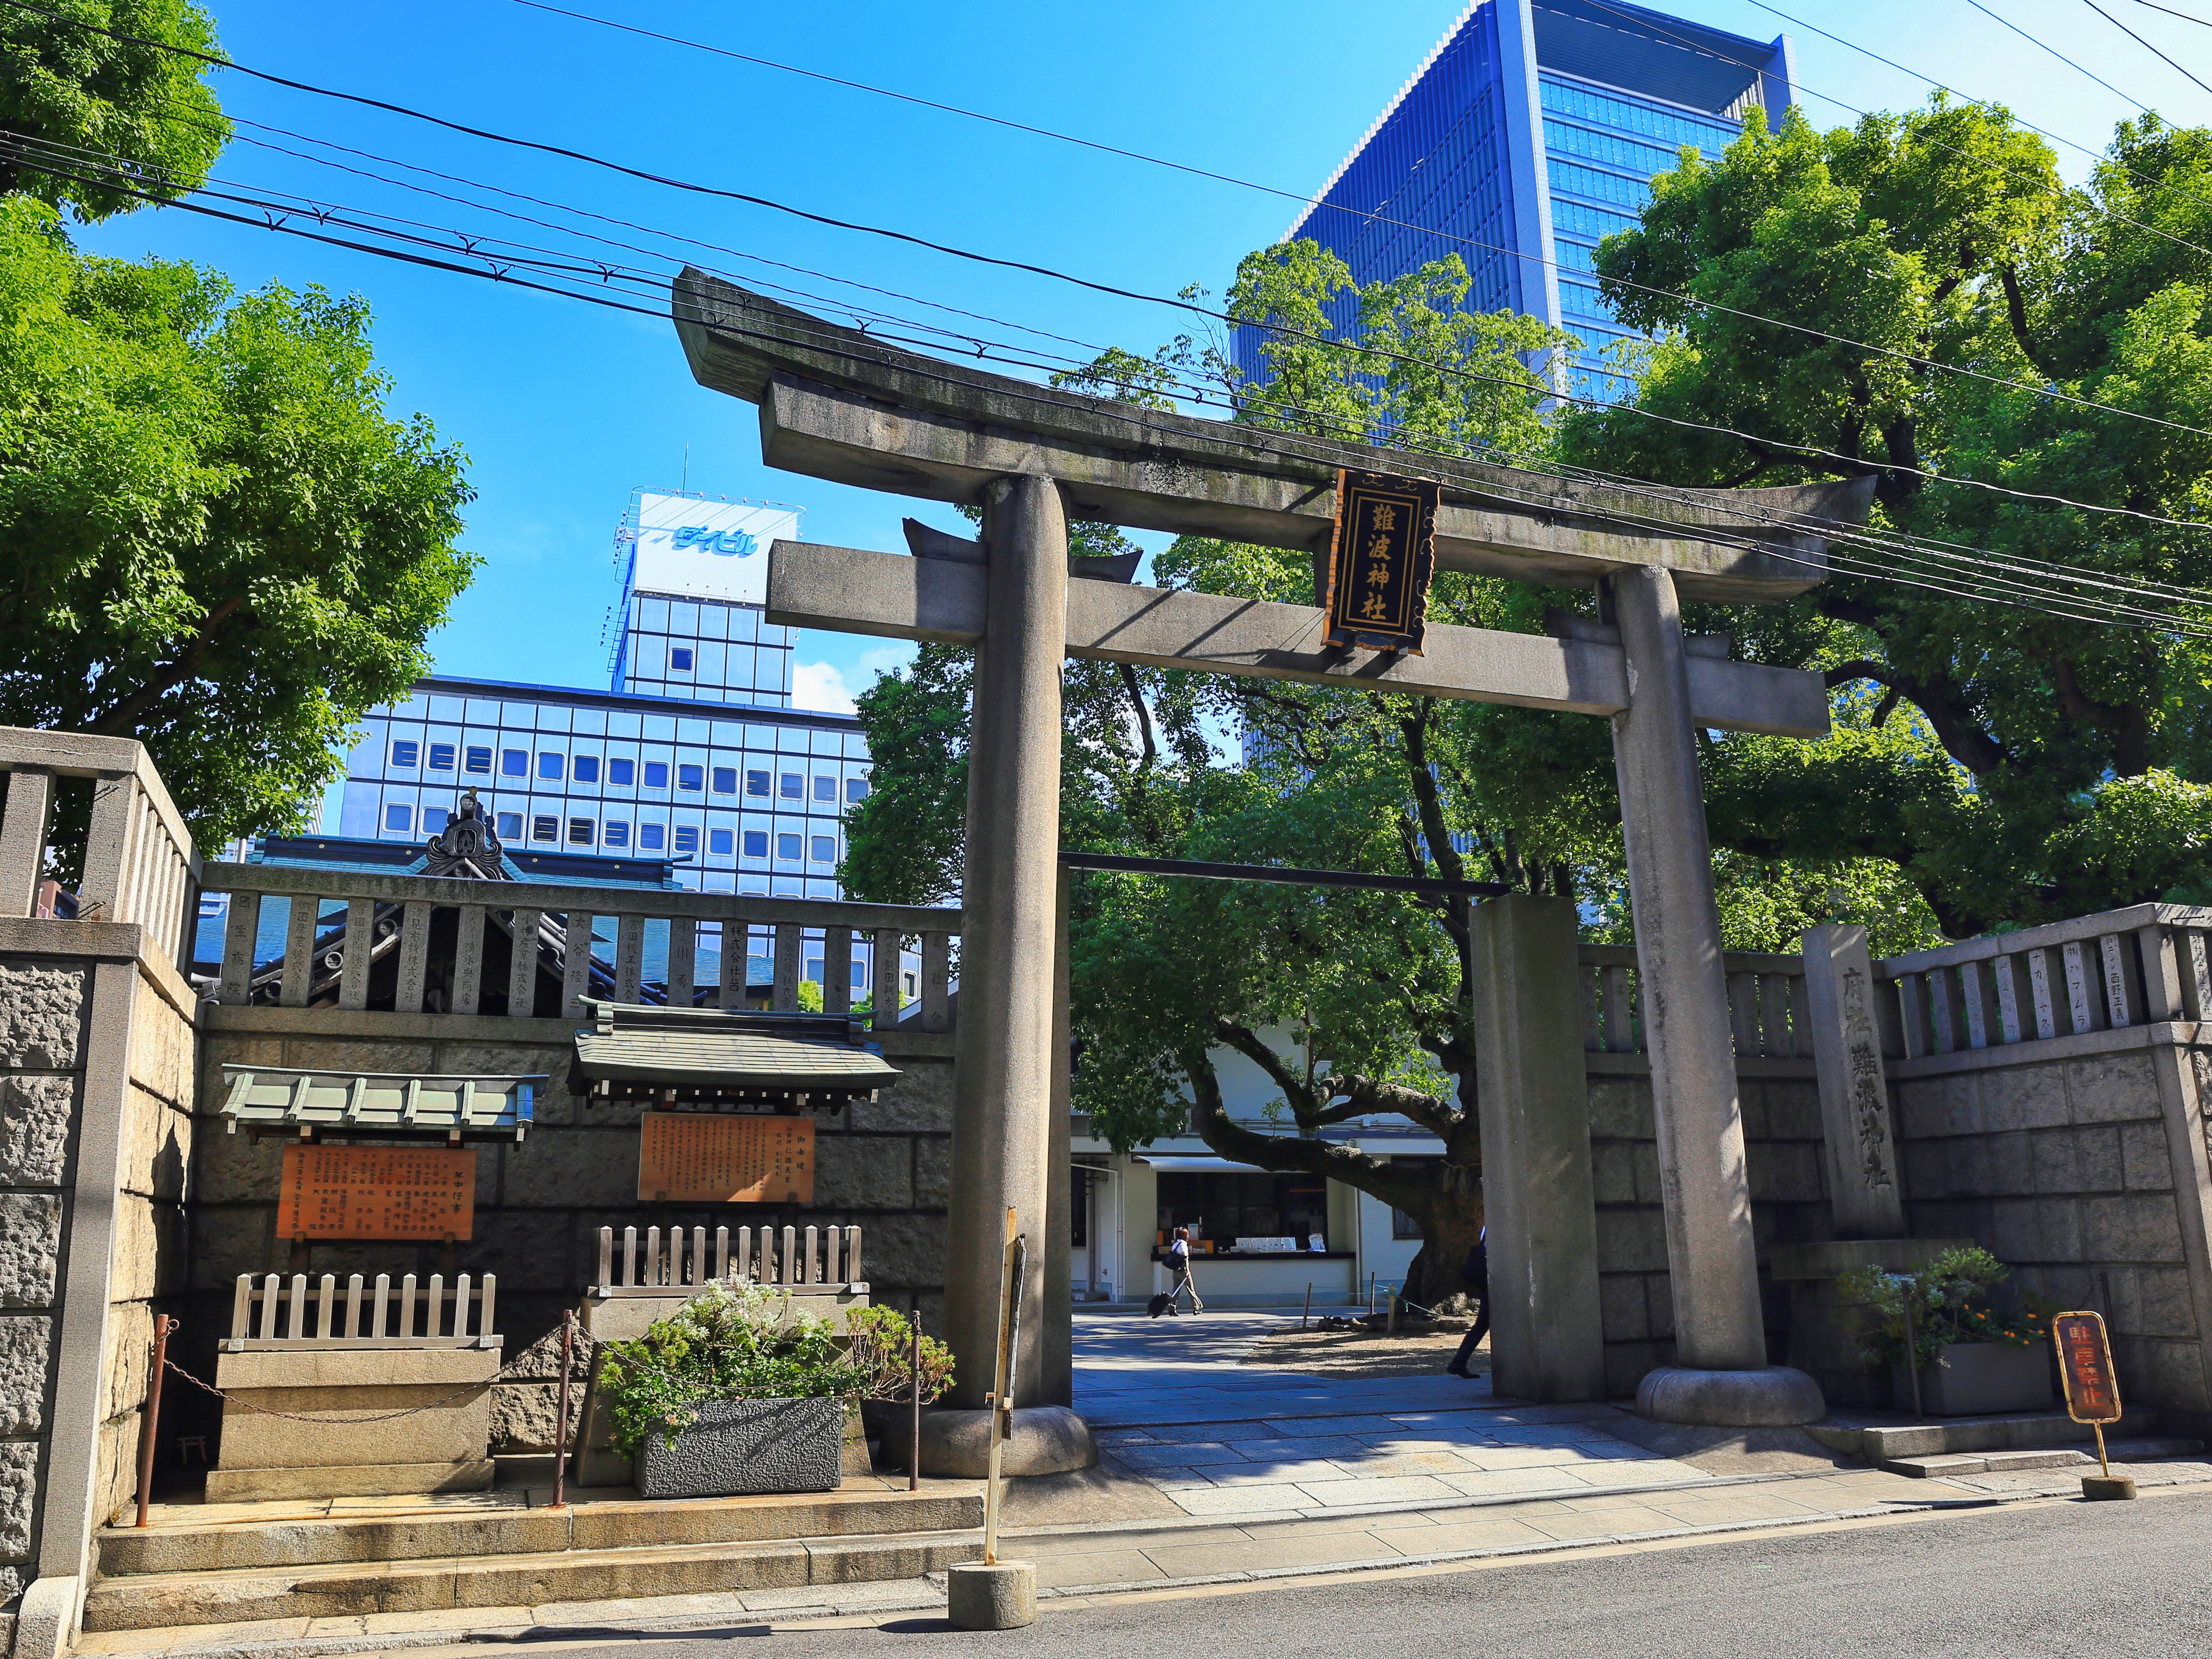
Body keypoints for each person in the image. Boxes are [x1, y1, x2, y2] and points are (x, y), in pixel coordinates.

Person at [1446, 1226, 1488, 1377]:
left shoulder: (1486, 1227)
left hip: (1486, 1283)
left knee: (1481, 1326)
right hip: (1496, 1282)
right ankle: (1459, 1362)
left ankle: (1459, 1362)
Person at [1166, 1225, 1203, 1315]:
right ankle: (1196, 1308)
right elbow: (1185, 1258)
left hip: (1175, 1271)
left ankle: (1172, 1309)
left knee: (1175, 1290)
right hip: (1183, 1271)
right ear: (1185, 1236)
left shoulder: (1175, 1245)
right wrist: (1188, 1270)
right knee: (1191, 1289)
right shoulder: (1184, 1245)